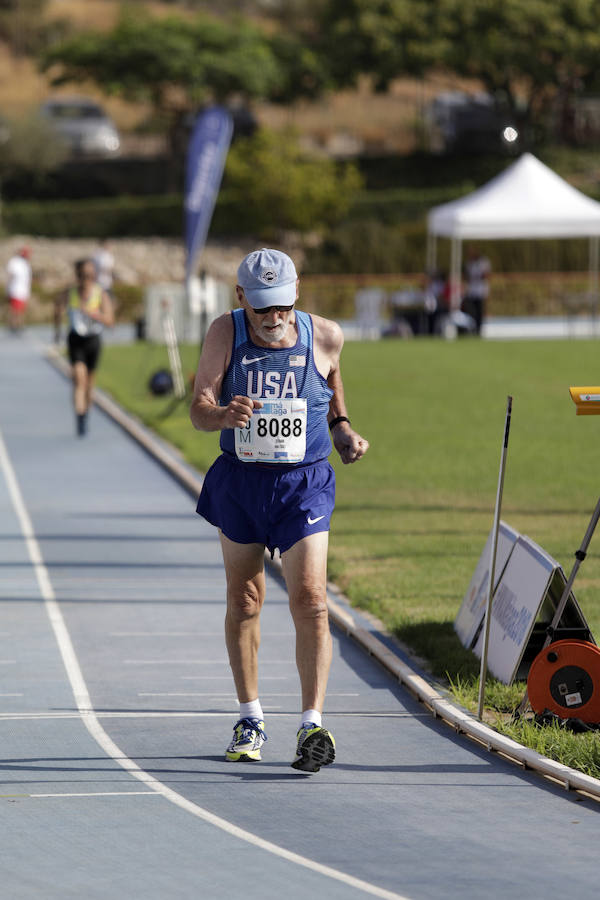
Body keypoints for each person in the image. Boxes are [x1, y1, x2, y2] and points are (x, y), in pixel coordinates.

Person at [190, 248, 369, 773]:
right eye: (262, 308)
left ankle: (312, 723)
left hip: (303, 484)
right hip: (243, 482)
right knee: (245, 598)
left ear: (297, 293)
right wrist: (223, 413)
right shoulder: (225, 333)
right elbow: (199, 410)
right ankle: (250, 717)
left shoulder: (327, 334)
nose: (274, 319)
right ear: (241, 296)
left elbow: (331, 379)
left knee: (311, 598)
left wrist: (342, 429)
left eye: (283, 306)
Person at [54, 258, 114, 437]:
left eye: (90, 275)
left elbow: (110, 321)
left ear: (94, 276)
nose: (86, 279)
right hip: (76, 340)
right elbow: (57, 308)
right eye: (82, 275)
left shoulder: (100, 294)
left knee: (89, 385)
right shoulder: (70, 293)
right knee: (79, 379)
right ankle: (80, 417)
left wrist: (95, 314)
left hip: (93, 341)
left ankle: (85, 412)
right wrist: (57, 327)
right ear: (77, 275)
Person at [462, 247, 491, 335]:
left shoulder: (484, 262)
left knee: (480, 312)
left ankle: (479, 330)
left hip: (480, 291)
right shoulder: (469, 263)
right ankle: (472, 329)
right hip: (472, 291)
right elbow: (466, 277)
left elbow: (486, 275)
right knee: (471, 312)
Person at [6, 246, 32, 331]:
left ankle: (19, 324)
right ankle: (13, 324)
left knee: (20, 309)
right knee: (14, 309)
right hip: (15, 289)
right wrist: (8, 287)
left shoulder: (26, 264)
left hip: (23, 290)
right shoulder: (15, 262)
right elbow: (10, 275)